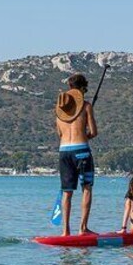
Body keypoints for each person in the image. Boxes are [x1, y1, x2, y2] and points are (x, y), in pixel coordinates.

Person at [55, 73, 98, 236]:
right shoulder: (86, 106)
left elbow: (60, 133)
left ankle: (65, 231)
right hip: (81, 150)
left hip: (64, 151)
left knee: (67, 192)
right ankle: (83, 228)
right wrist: (83, 134)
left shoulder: (60, 111)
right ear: (82, 89)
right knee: (86, 188)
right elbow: (94, 132)